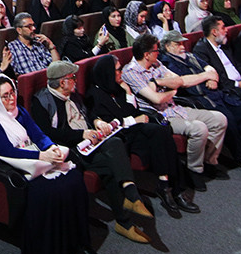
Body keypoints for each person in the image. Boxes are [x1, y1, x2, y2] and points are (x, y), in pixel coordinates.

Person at [0, 75, 96, 254]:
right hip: (13, 169)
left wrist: (51, 147)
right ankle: (58, 250)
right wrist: (41, 155)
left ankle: (77, 243)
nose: (11, 99)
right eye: (5, 96)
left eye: (12, 93)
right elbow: (7, 152)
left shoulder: (19, 111)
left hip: (35, 159)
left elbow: (38, 135)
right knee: (51, 190)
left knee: (73, 179)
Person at [29, 60, 153, 244]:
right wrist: (82, 134)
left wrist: (97, 122)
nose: (76, 80)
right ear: (62, 82)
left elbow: (87, 113)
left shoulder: (73, 95)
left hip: (91, 141)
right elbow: (47, 134)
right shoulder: (41, 101)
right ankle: (124, 221)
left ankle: (130, 192)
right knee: (111, 168)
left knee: (116, 142)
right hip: (71, 150)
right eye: (72, 77)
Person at [84, 54, 197, 216]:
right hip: (121, 137)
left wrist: (128, 93)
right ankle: (171, 188)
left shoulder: (118, 88)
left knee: (162, 132)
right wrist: (133, 120)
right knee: (158, 134)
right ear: (107, 72)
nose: (121, 73)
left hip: (134, 130)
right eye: (117, 70)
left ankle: (167, 185)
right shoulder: (94, 95)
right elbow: (112, 123)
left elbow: (130, 111)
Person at [159, 31, 241, 176]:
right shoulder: (166, 62)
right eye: (177, 44)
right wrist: (206, 76)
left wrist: (212, 78)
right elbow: (183, 81)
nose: (182, 46)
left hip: (216, 93)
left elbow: (211, 69)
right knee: (228, 117)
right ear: (167, 47)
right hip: (198, 98)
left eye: (182, 43)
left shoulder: (191, 56)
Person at [120, 34, 227, 193]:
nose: (159, 53)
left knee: (219, 119)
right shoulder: (131, 72)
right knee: (199, 128)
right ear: (147, 54)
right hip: (162, 116)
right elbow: (156, 98)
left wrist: (159, 82)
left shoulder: (156, 63)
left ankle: (209, 161)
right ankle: (194, 170)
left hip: (176, 107)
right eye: (156, 50)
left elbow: (179, 80)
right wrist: (172, 90)